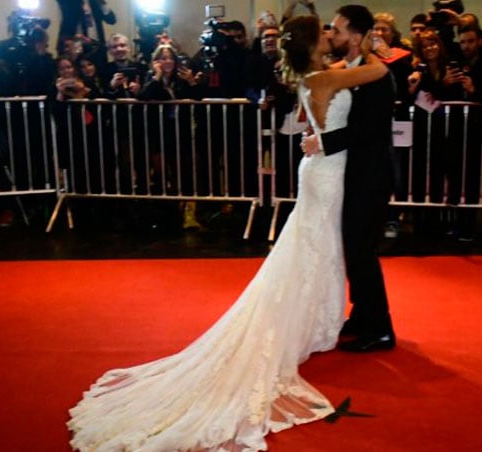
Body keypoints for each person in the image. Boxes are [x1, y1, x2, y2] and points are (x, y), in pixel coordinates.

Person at [67, 14, 388, 451]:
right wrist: (371, 49)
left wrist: (351, 61)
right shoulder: (325, 77)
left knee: (321, 246)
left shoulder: (319, 75)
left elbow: (323, 104)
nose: (332, 35)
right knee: (318, 246)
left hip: (323, 170)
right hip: (327, 174)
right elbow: (379, 72)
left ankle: (323, 320)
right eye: (326, 32)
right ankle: (321, 321)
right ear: (314, 44)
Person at [302, 4, 397, 352]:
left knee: (362, 251)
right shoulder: (351, 70)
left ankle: (381, 328)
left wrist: (323, 142)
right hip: (349, 174)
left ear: (356, 38)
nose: (332, 34)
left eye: (338, 30)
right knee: (354, 250)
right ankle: (363, 315)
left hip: (370, 176)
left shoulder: (378, 75)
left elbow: (369, 130)